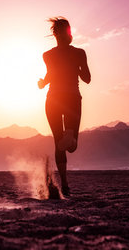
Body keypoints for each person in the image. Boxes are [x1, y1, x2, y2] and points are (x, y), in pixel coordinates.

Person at [38, 17, 91, 196]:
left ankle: (65, 184)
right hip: (71, 99)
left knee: (60, 144)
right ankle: (65, 184)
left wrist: (42, 83)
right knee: (69, 145)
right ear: (65, 33)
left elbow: (50, 76)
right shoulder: (79, 53)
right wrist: (75, 67)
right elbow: (87, 79)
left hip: (53, 99)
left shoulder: (48, 55)